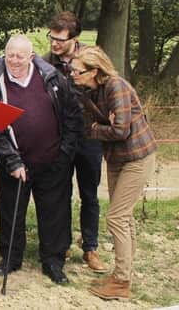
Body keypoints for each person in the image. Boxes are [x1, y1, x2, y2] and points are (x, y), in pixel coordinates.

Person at [0, 35, 83, 284]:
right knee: (11, 212)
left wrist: (64, 154)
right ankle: (10, 259)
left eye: (20, 56)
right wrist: (12, 162)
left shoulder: (53, 78)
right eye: (10, 55)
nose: (14, 61)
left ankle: (53, 262)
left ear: (31, 56)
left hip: (53, 160)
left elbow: (72, 116)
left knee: (54, 213)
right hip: (16, 163)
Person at [70, 46, 157, 300]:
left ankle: (121, 281)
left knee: (116, 217)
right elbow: (89, 127)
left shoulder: (115, 86)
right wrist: (101, 125)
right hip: (116, 157)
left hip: (137, 157)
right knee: (124, 217)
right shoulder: (89, 91)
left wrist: (99, 127)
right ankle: (123, 273)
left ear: (94, 71)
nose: (73, 74)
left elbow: (121, 131)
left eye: (78, 71)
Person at [43, 11, 107, 273]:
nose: (54, 44)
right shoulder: (46, 62)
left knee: (89, 194)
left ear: (75, 39)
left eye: (60, 39)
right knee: (61, 193)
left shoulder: (92, 58)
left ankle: (90, 247)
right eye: (52, 38)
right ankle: (63, 243)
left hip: (90, 137)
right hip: (60, 137)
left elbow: (108, 88)